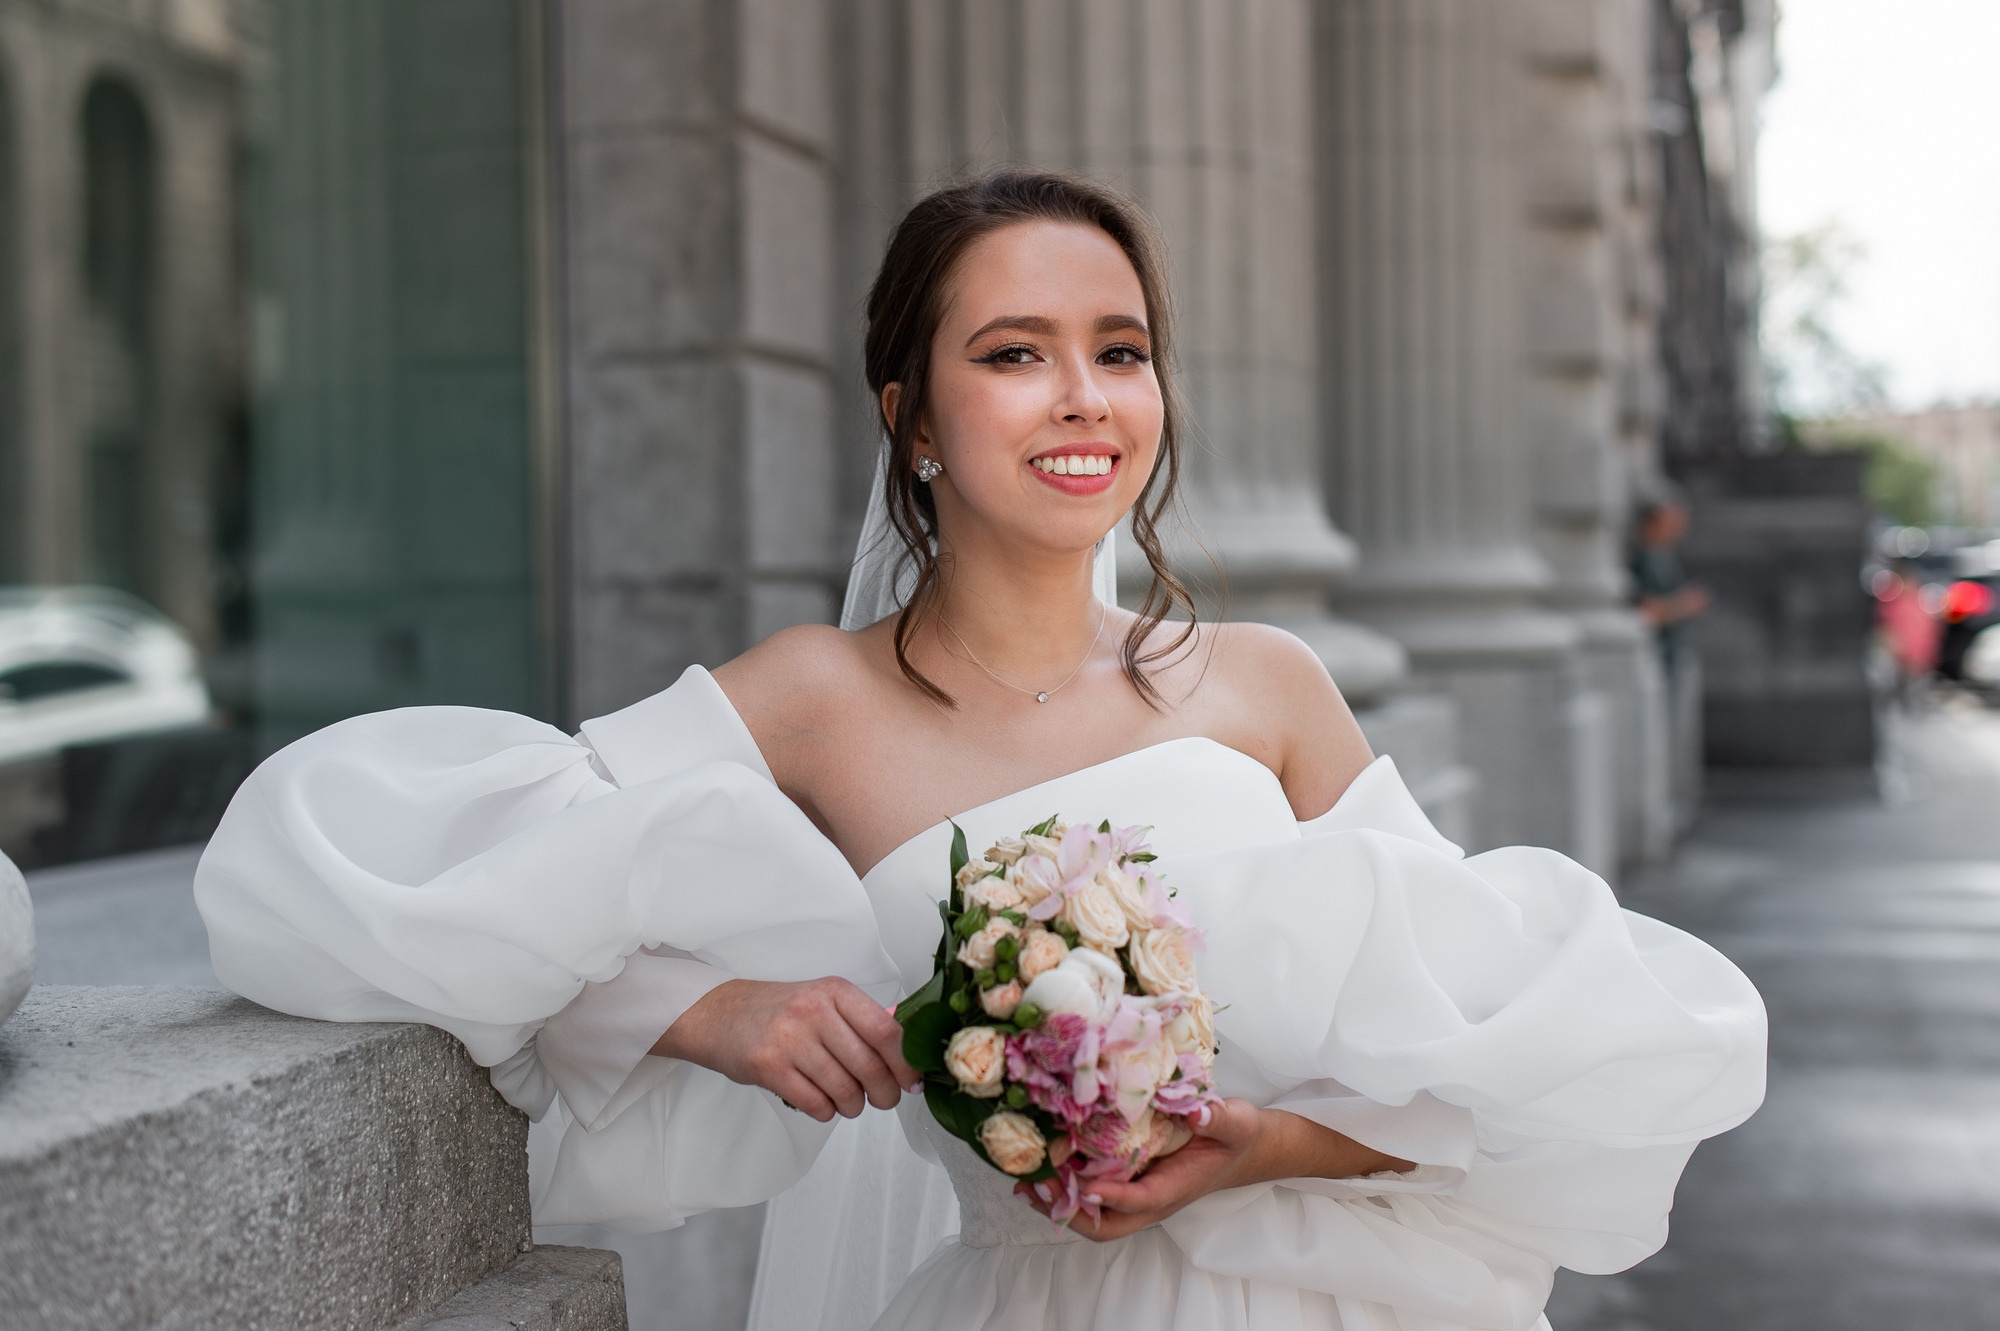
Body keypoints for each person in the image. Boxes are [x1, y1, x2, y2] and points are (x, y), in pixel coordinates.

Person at [195, 172, 1765, 1331]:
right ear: (915, 415)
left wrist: (1256, 1144)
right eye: (1015, 352)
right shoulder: (810, 699)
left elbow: (1484, 1059)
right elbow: (357, 861)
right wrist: (703, 1004)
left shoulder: (1270, 687)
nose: (1084, 396)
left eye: (1122, 349)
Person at [1630, 493, 1710, 678]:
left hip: (1671, 653)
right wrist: (1686, 605)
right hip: (1655, 655)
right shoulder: (1645, 560)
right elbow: (1646, 612)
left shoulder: (1664, 556)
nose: (1679, 527)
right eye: (1672, 521)